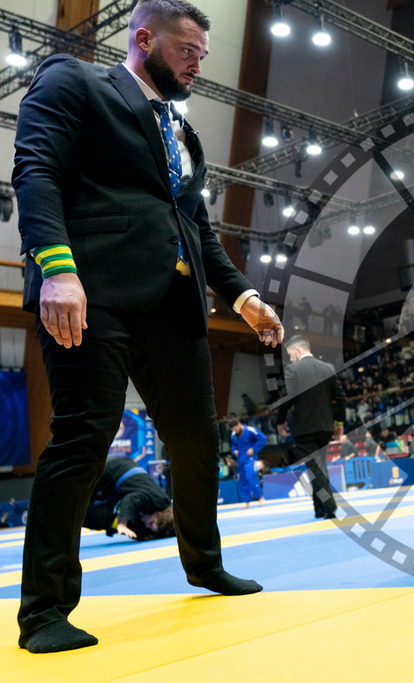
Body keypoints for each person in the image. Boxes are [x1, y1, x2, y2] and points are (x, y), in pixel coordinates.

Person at [11, 0, 283, 653]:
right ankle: (44, 610)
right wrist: (57, 269)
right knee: (84, 435)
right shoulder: (75, 81)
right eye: (187, 51)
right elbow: (37, 170)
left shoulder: (182, 134)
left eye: (203, 55)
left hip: (173, 302)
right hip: (90, 290)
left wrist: (243, 296)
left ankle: (205, 563)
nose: (198, 65)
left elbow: (195, 227)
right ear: (143, 39)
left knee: (196, 436)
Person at [276, 336, 343, 519]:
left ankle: (329, 505)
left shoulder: (293, 369)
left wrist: (280, 421)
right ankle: (319, 508)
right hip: (325, 426)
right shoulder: (328, 368)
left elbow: (287, 397)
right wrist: (339, 423)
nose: (291, 359)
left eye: (290, 354)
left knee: (314, 467)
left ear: (298, 350)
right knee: (319, 466)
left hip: (304, 428)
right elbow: (340, 398)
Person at [83, 455, 175, 541]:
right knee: (80, 501)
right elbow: (130, 500)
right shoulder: (154, 499)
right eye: (151, 523)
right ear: (159, 513)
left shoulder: (160, 504)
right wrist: (122, 523)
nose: (147, 525)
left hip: (117, 474)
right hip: (110, 469)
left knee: (96, 515)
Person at [229, 420, 267, 508]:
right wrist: (234, 451)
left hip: (250, 458)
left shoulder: (250, 430)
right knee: (243, 480)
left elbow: (263, 439)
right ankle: (247, 501)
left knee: (251, 477)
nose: (235, 431)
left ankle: (260, 498)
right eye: (233, 430)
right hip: (240, 459)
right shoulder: (233, 434)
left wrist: (254, 449)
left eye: (236, 429)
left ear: (239, 424)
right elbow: (234, 445)